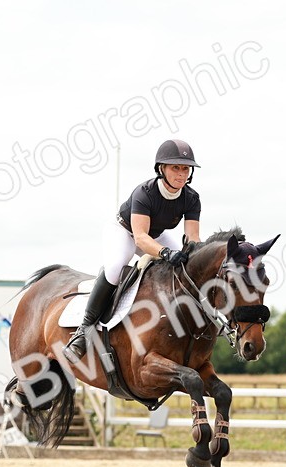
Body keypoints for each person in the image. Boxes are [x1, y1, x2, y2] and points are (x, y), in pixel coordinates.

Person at [64, 139, 201, 361]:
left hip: (156, 234)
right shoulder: (145, 193)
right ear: (161, 169)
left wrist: (193, 255)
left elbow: (193, 238)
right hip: (124, 232)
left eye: (185, 168)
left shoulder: (192, 198)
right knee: (116, 268)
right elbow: (140, 238)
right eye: (175, 167)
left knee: (188, 265)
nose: (181, 174)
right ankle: (83, 331)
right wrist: (166, 253)